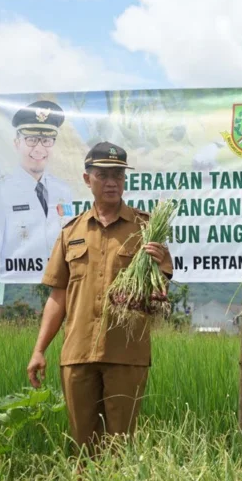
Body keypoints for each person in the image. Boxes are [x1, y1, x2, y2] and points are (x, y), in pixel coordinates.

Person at [26, 142, 173, 457]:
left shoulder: (146, 229)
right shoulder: (71, 232)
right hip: (77, 354)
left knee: (119, 447)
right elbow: (58, 296)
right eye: (103, 174)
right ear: (86, 178)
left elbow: (159, 293)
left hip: (125, 353)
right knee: (83, 446)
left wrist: (160, 265)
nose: (111, 182)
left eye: (118, 175)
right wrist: (39, 350)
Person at [0, 99, 75, 278]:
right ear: (17, 143)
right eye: (31, 140)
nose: (39, 148)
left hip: (60, 285)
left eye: (46, 140)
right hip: (16, 285)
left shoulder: (63, 191)